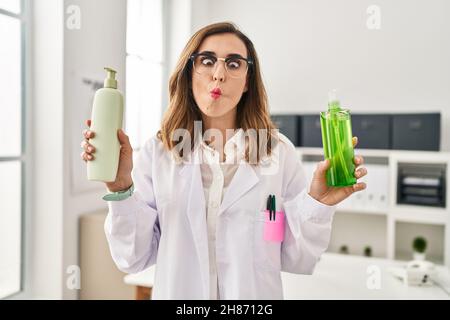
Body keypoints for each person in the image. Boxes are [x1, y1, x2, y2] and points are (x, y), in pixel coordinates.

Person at [80, 22, 367, 299]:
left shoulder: (277, 153)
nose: (218, 74)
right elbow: (133, 257)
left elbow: (294, 256)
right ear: (189, 72)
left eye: (233, 64)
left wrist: (317, 203)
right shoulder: (159, 153)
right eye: (206, 61)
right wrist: (121, 189)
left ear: (246, 82)